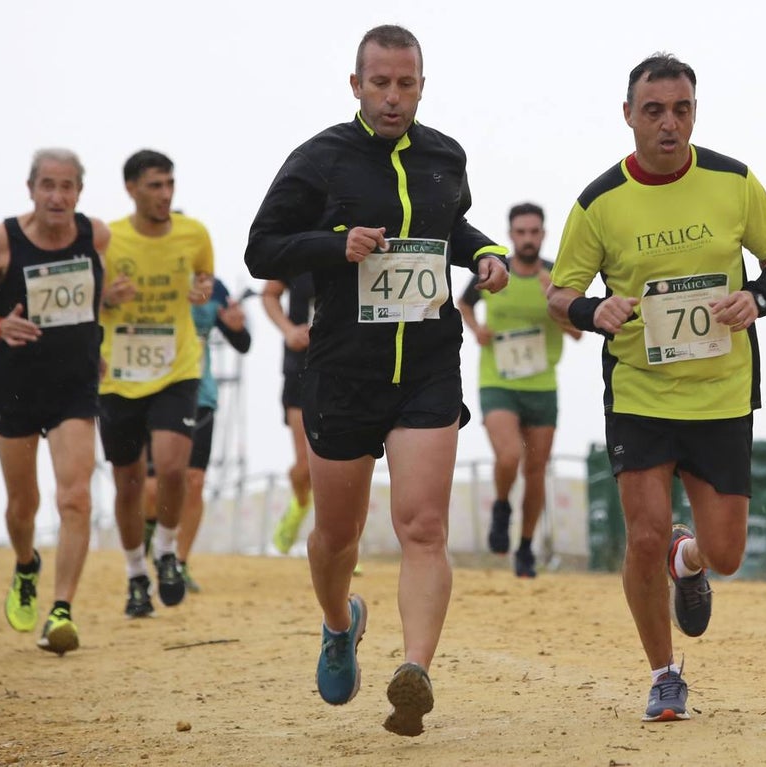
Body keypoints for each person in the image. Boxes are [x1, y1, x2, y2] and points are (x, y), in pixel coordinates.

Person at [244, 23, 508, 737]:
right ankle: (340, 622)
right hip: (343, 372)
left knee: (423, 525)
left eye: (406, 83)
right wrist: (337, 244)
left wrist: (484, 253)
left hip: (426, 365)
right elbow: (261, 249)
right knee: (337, 535)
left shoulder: (444, 156)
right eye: (381, 83)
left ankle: (414, 671)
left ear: (422, 85)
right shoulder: (320, 159)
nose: (393, 96)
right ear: (356, 85)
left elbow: (451, 229)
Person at [546, 53, 766, 723]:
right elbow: (560, 292)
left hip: (721, 391)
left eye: (681, 110)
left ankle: (690, 561)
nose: (669, 123)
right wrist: (591, 310)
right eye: (653, 110)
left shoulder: (733, 181)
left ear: (694, 113)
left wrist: (757, 297)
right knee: (644, 536)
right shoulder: (599, 202)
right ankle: (664, 675)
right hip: (641, 393)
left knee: (727, 554)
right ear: (628, 115)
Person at [0, 148, 110, 655]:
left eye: (67, 186)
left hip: (74, 385)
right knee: (23, 505)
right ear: (31, 188)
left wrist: (96, 342)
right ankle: (25, 564)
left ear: (79, 191)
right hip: (14, 385)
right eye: (47, 185)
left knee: (75, 497)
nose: (57, 196)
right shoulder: (2, 240)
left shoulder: (96, 235)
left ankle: (61, 611)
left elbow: (91, 297)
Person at [98, 149, 214, 618]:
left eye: (170, 184)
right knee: (128, 483)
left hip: (176, 368)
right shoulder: (108, 240)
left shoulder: (194, 233)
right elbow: (87, 303)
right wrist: (107, 299)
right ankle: (134, 575)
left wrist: (203, 290)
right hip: (120, 374)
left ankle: (166, 550)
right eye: (154, 185)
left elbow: (204, 277)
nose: (165, 194)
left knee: (171, 468)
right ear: (131, 189)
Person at [456, 202, 581, 577]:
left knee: (536, 471)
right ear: (511, 234)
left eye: (534, 232)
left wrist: (555, 304)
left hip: (542, 385)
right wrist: (476, 329)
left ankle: (525, 547)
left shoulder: (556, 276)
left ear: (543, 234)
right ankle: (501, 505)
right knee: (509, 456)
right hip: (498, 381)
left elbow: (577, 333)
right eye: (521, 232)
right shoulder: (496, 270)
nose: (528, 238)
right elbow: (464, 303)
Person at [142, 279, 252, 592]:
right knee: (152, 488)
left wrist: (237, 326)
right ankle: (145, 554)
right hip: (150, 392)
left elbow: (242, 343)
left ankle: (179, 562)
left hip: (198, 396)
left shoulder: (212, 287)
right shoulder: (151, 277)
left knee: (194, 481)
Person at [260, 274, 315, 555]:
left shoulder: (359, 251)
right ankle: (299, 505)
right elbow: (269, 293)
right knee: (306, 465)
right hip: (300, 369)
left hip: (345, 367)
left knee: (344, 463)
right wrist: (289, 330)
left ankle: (341, 545)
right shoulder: (298, 253)